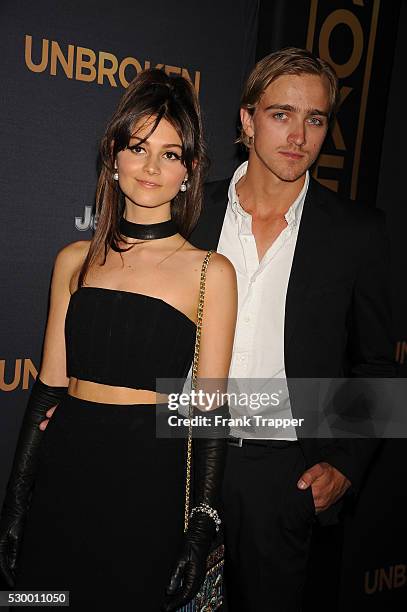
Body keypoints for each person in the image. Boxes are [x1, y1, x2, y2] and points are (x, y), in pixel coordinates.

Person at [0, 69, 237, 610]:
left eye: (171, 153)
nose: (152, 167)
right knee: (44, 599)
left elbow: (210, 412)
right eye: (138, 146)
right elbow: (48, 390)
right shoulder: (72, 260)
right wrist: (15, 502)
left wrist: (201, 522)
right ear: (113, 155)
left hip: (148, 475)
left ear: (190, 171)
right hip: (66, 465)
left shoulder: (210, 272)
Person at [189, 48, 395, 611]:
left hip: (283, 475)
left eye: (316, 119)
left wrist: (347, 466)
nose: (299, 135)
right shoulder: (188, 214)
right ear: (247, 120)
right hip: (178, 454)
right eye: (282, 114)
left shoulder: (357, 233)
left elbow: (376, 365)